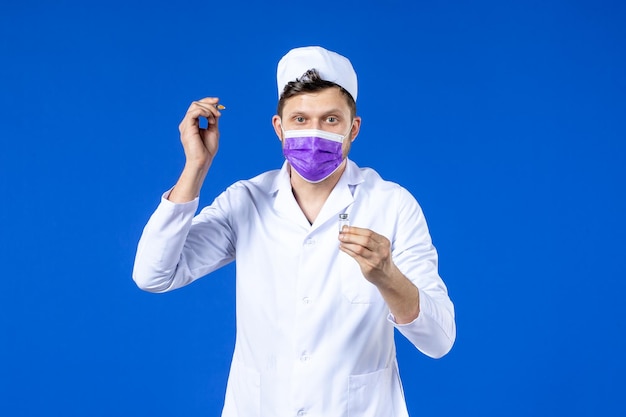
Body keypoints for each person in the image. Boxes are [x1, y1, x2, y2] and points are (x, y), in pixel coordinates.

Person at [133, 46, 456, 417]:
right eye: (300, 119)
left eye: (331, 120)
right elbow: (153, 275)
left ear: (354, 128)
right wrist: (196, 167)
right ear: (279, 127)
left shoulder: (392, 205)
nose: (314, 133)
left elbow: (439, 340)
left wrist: (388, 278)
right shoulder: (247, 200)